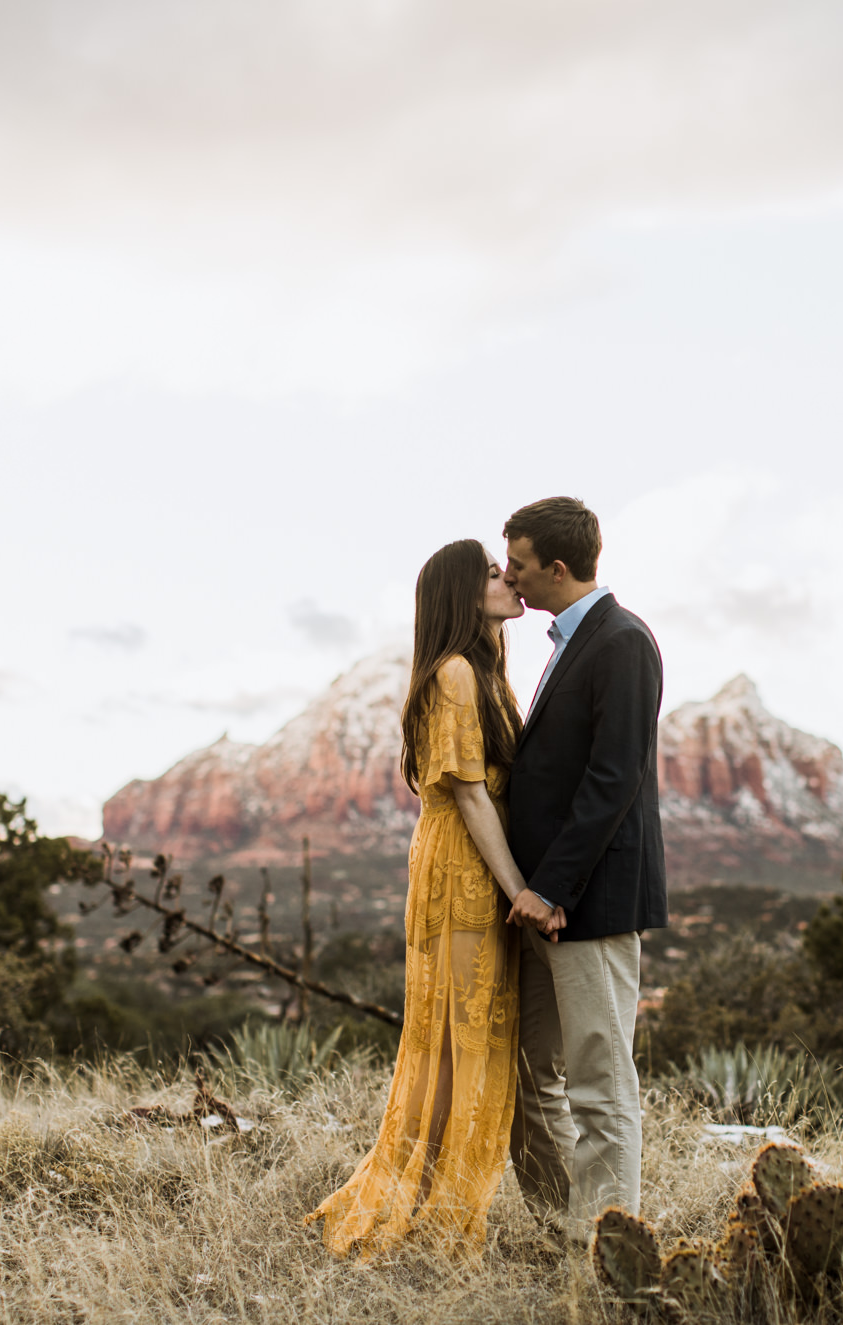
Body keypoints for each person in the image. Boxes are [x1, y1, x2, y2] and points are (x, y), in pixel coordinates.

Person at [306, 538, 560, 1257]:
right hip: (464, 871)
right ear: (460, 593)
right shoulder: (454, 675)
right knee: (457, 1040)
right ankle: (432, 1211)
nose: (507, 578)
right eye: (489, 572)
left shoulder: (481, 673)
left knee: (471, 1037)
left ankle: (439, 1202)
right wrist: (522, 893)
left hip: (476, 865)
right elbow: (474, 797)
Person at [501, 496, 667, 1243]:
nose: (512, 576)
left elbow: (613, 779)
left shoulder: (622, 642)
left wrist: (549, 886)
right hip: (542, 906)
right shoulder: (572, 642)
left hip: (587, 903)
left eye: (520, 563)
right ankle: (563, 1221)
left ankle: (605, 1246)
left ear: (557, 567)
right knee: (530, 1072)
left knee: (601, 1083)